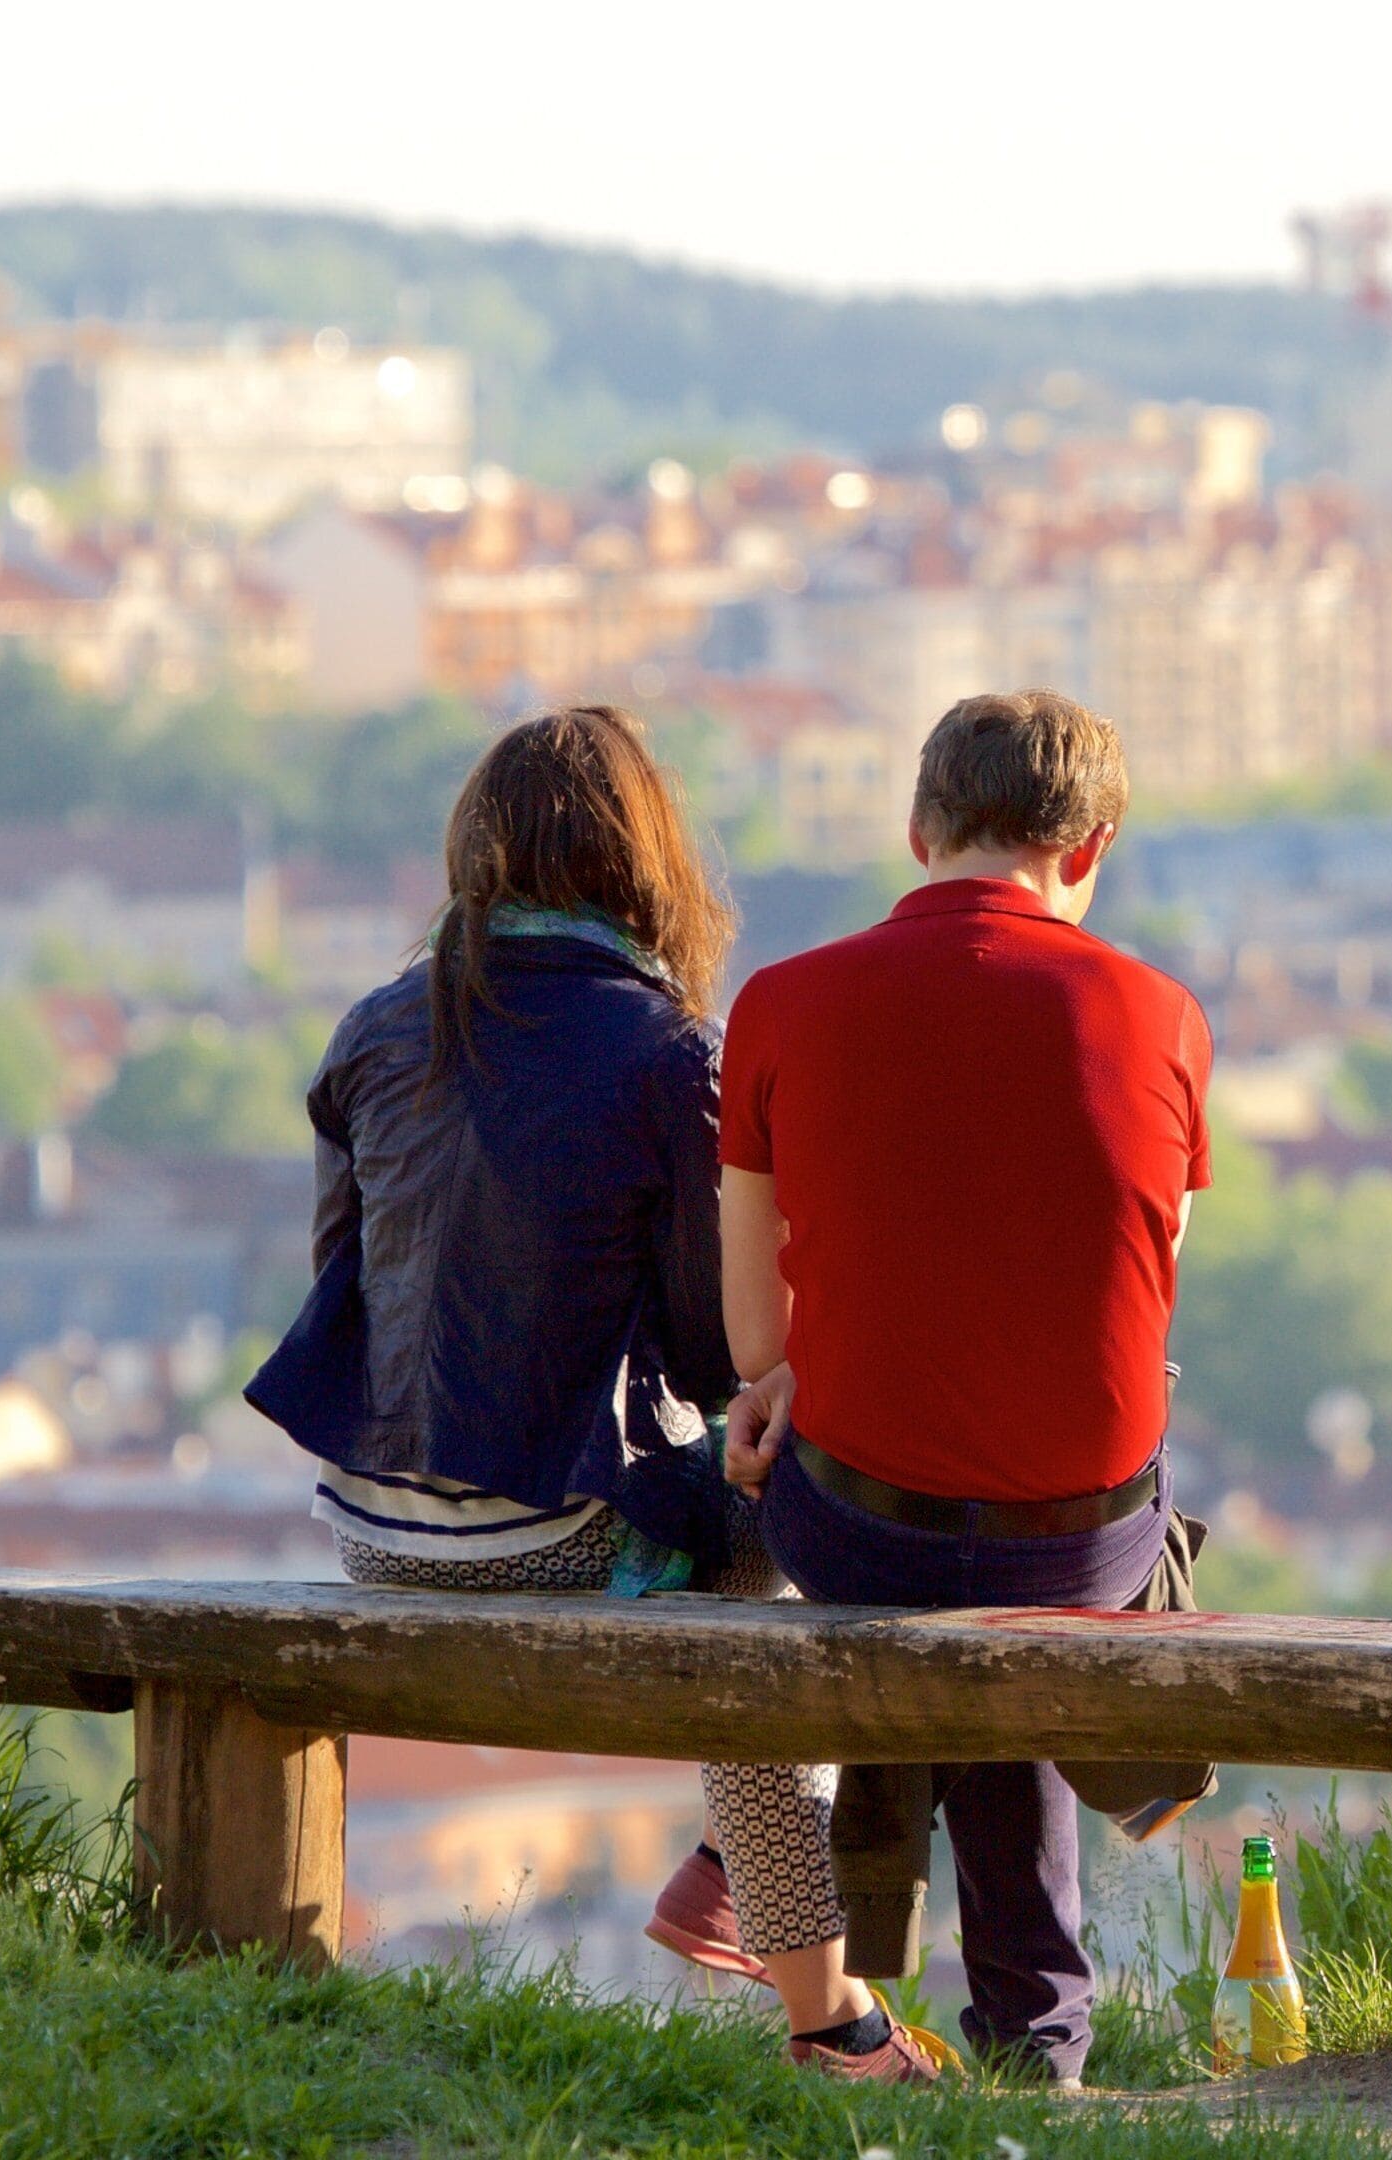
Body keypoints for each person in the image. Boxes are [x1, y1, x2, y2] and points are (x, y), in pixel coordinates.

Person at [243, 705, 943, 2084]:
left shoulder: (378, 1026)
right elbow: (709, 1352)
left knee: (752, 1561)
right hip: (543, 1539)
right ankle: (820, 2007)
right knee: (798, 1547)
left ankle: (744, 1883)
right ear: (647, 862)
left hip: (375, 1532)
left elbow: (349, 1290)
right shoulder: (670, 1053)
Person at [716, 688, 1213, 2087]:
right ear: (1094, 845)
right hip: (1088, 1534)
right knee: (1029, 1563)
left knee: (914, 1540)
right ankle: (1036, 2029)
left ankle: (863, 1981)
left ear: (918, 827)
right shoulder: (1165, 1016)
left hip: (854, 1525)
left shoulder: (780, 1003)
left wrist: (813, 1373)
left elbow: (758, 1342)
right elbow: (1145, 1310)